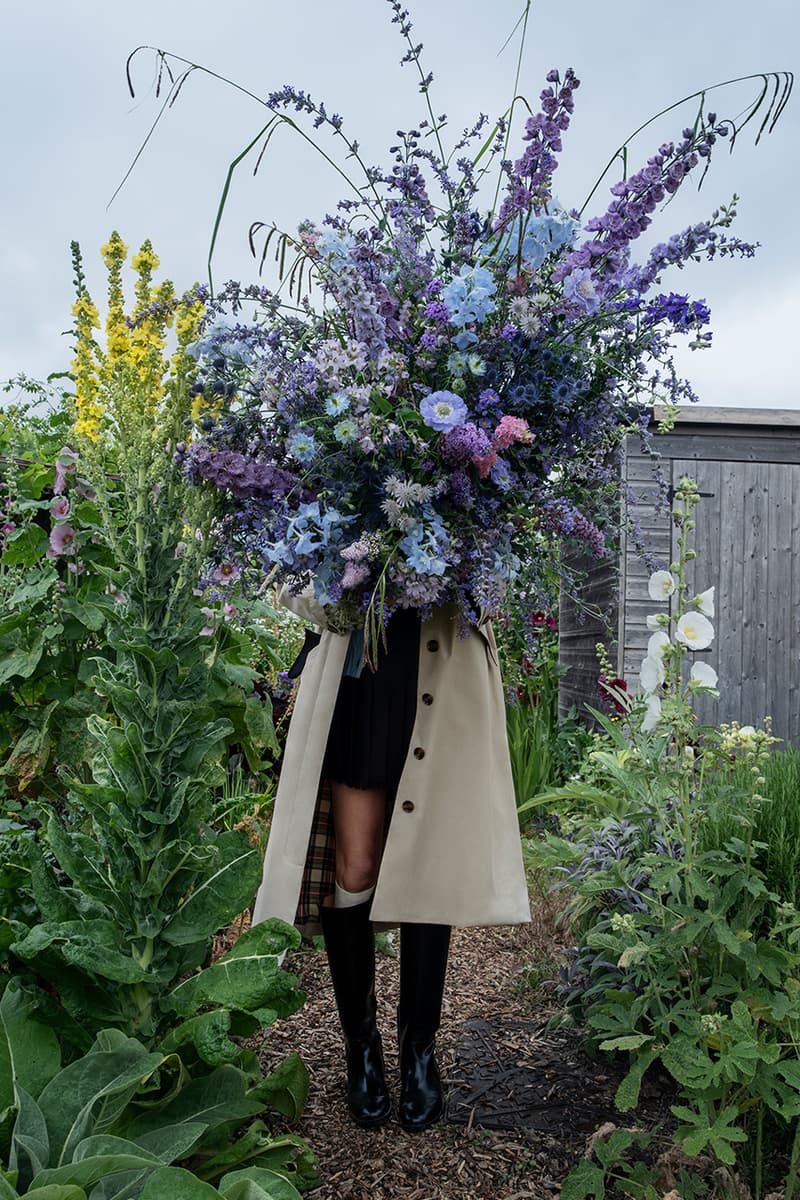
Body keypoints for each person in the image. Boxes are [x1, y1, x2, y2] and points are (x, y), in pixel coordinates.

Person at [252, 587, 530, 1131]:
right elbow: (291, 573)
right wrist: (345, 589)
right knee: (353, 865)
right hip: (363, 675)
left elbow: (497, 574)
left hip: (443, 673)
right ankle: (362, 1047)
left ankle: (418, 1050)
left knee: (430, 856)